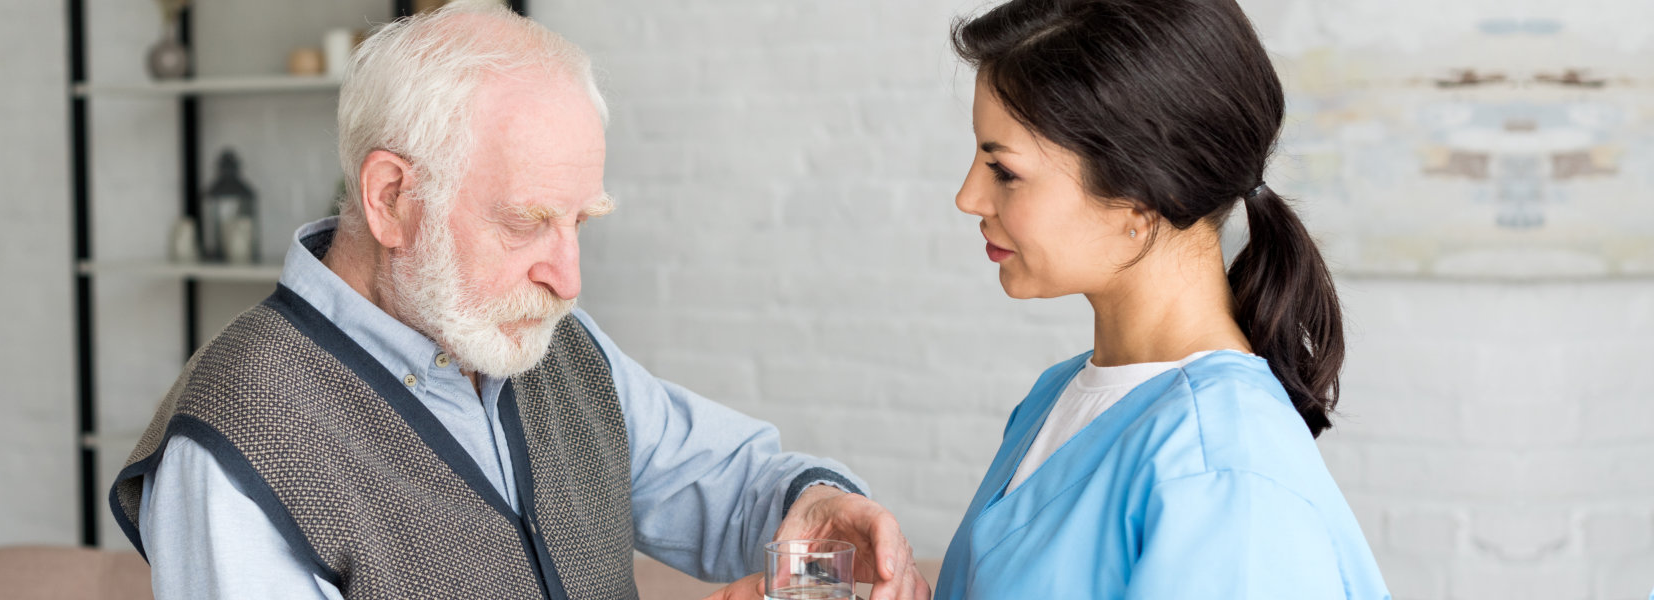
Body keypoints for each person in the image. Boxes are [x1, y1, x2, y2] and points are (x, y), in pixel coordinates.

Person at [108, 3, 928, 599]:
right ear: (392, 199)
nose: (567, 279)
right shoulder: (236, 448)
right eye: (528, 223)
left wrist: (818, 505)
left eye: (579, 223)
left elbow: (725, 480)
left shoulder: (549, 346)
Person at [932, 0, 1391, 598]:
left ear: (1140, 198)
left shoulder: (1222, 470)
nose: (969, 197)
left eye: (1004, 170)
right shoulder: (1058, 396)